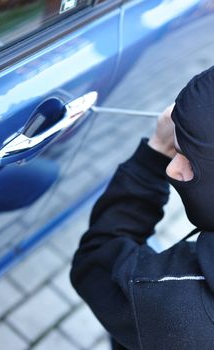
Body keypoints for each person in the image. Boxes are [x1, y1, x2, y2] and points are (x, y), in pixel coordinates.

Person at [70, 65, 214, 350]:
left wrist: (157, 151)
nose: (173, 170)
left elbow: (96, 261)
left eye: (188, 157)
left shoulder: (176, 303)